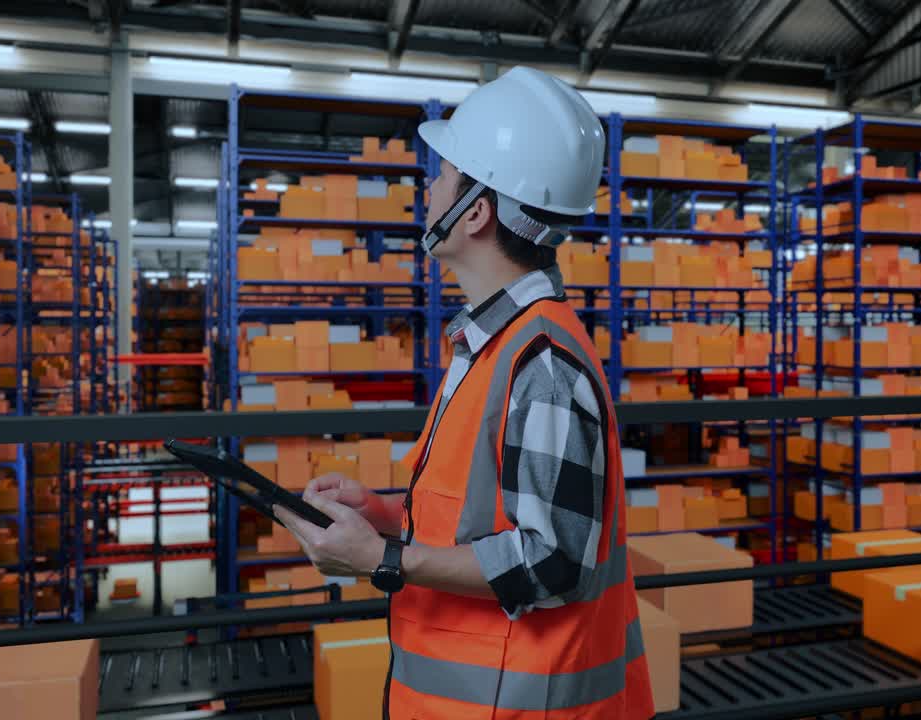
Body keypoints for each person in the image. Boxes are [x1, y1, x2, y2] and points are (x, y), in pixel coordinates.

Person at [273, 65, 653, 719]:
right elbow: (487, 514)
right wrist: (385, 513)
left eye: (442, 174)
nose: (428, 187)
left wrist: (385, 558)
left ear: (474, 212)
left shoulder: (543, 365)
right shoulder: (491, 345)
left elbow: (555, 563)